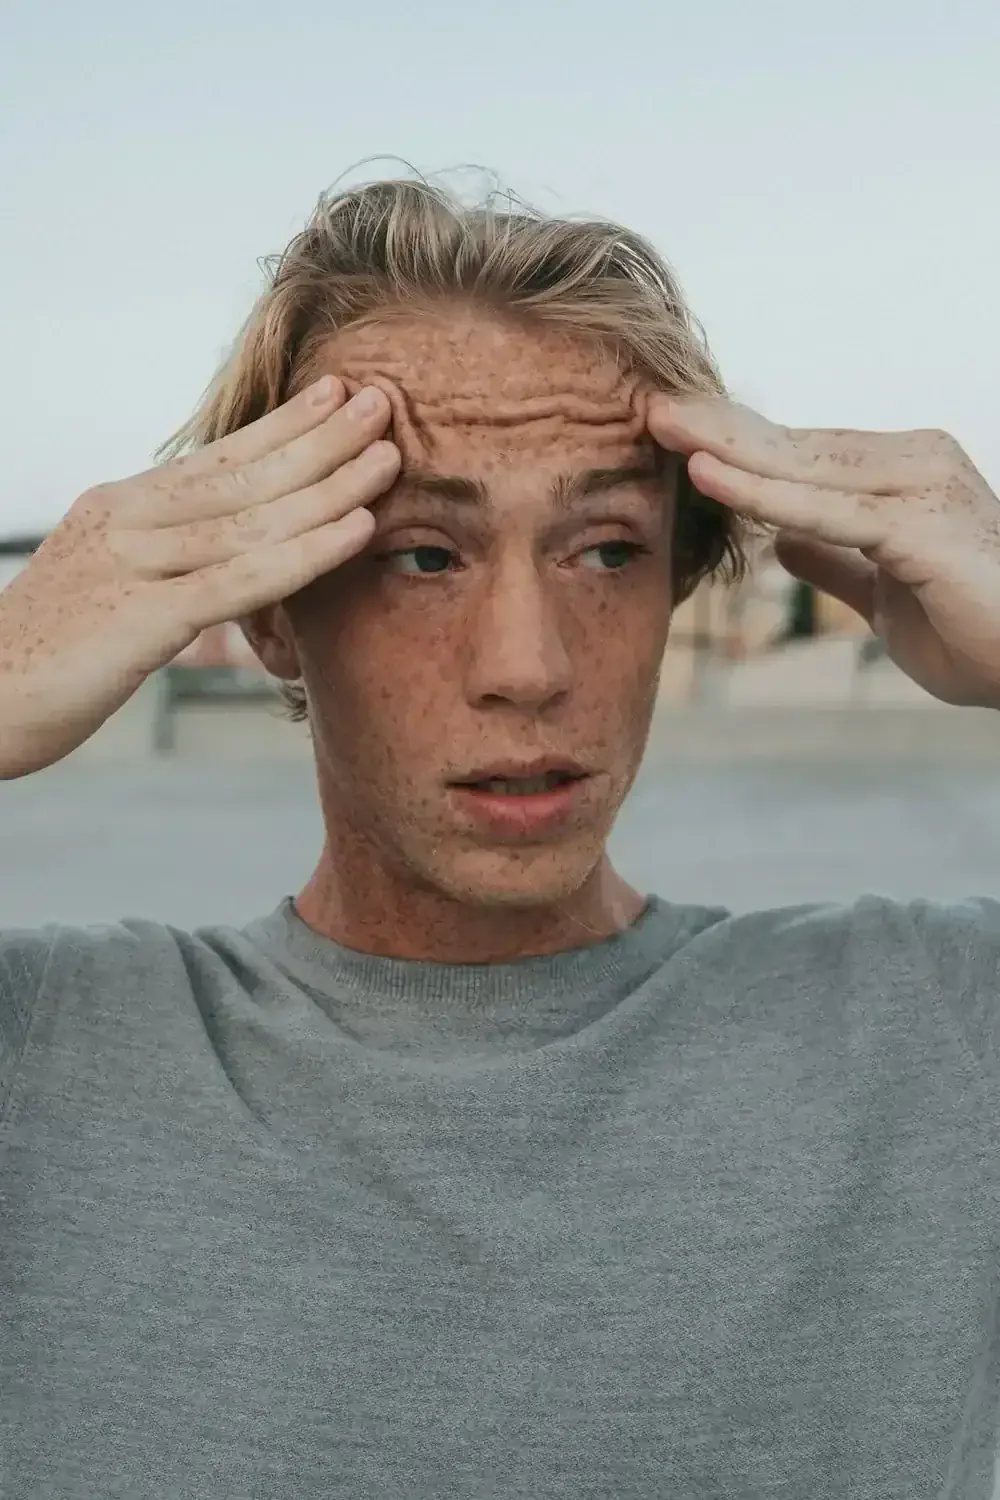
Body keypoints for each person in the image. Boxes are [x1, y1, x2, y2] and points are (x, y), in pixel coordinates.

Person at [2, 174, 999, 1500]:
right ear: (269, 609)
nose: (526, 668)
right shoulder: (47, 1053)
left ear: (676, 584)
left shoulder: (937, 1030)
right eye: (425, 555)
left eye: (604, 550)